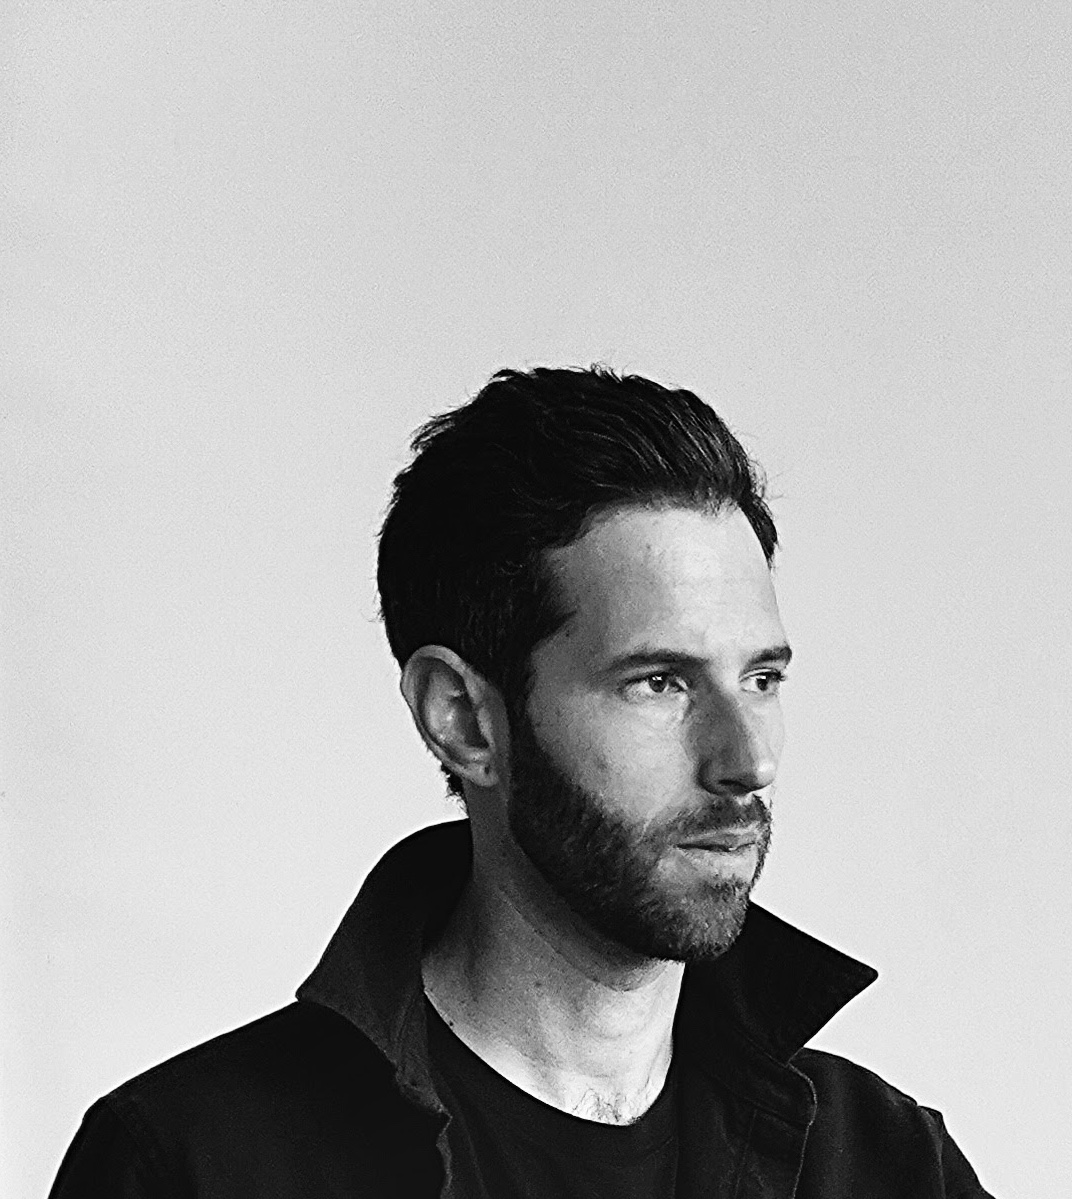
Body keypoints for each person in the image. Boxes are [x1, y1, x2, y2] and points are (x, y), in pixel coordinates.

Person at [50, 366, 993, 1197]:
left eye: (761, 678)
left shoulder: (886, 1164)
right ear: (464, 719)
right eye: (658, 682)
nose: (748, 760)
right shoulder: (193, 1164)